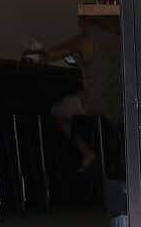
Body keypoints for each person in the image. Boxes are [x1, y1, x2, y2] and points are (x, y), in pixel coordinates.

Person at [46, 12, 124, 172]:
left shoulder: (86, 39)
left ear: (85, 22)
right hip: (120, 106)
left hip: (95, 103)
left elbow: (50, 55)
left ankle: (87, 152)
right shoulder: (121, 39)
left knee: (55, 111)